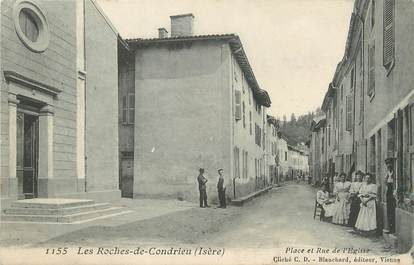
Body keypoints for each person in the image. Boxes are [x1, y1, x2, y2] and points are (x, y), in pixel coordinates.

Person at [384, 158, 396, 234]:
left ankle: (393, 229)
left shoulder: (395, 173)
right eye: (387, 164)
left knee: (392, 209)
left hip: (393, 191)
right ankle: (390, 228)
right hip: (389, 192)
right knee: (389, 210)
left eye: (390, 164)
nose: (389, 165)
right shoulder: (387, 173)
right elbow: (385, 182)